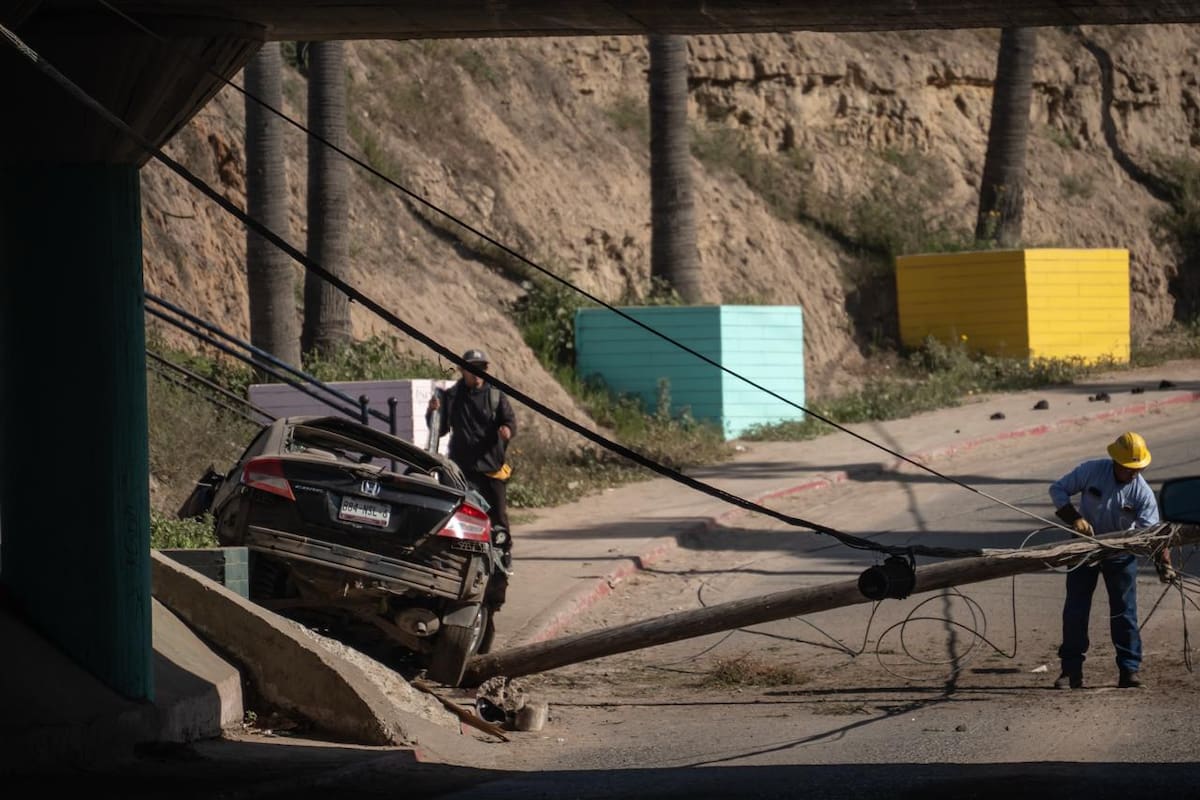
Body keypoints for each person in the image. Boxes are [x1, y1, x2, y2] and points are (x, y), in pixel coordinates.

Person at [1049, 431, 1164, 690]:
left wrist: (1161, 561)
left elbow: (1151, 532)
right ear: (1115, 462)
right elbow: (1058, 489)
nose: (1134, 473)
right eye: (1129, 468)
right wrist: (1074, 518)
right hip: (1083, 548)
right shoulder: (1091, 470)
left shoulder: (1142, 492)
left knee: (1124, 612)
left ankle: (1129, 670)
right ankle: (1071, 671)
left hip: (1120, 554)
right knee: (1076, 610)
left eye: (1138, 468)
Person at [427, 348, 517, 613]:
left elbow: (510, 421)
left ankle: (503, 563)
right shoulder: (452, 397)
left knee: (498, 519)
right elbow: (440, 428)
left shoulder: (496, 395)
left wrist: (506, 430)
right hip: (463, 470)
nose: (477, 371)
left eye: (481, 367)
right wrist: (433, 411)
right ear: (463, 370)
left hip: (491, 469)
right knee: (459, 518)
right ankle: (458, 562)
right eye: (472, 366)